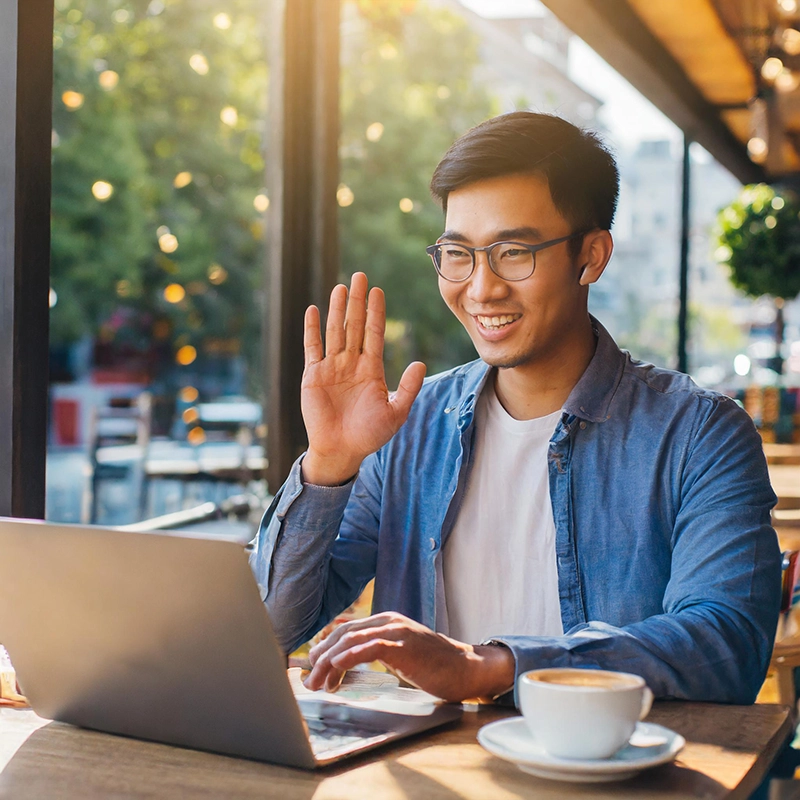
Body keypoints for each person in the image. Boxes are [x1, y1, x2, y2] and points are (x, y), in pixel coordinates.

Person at [250, 112, 781, 705]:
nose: (481, 288)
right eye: (458, 253)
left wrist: (490, 667)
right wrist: (328, 462)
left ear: (591, 256)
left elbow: (726, 646)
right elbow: (266, 630)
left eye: (513, 252)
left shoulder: (699, 434)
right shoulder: (408, 426)